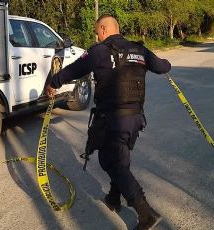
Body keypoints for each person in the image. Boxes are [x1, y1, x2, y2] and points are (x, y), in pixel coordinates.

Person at [46, 15, 171, 230]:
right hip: (135, 120)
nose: (97, 35)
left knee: (111, 162)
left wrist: (53, 82)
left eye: (97, 31)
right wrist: (167, 64)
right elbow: (162, 66)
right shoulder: (139, 50)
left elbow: (75, 69)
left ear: (104, 29)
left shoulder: (100, 51)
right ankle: (114, 199)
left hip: (113, 120)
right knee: (120, 158)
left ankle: (146, 213)